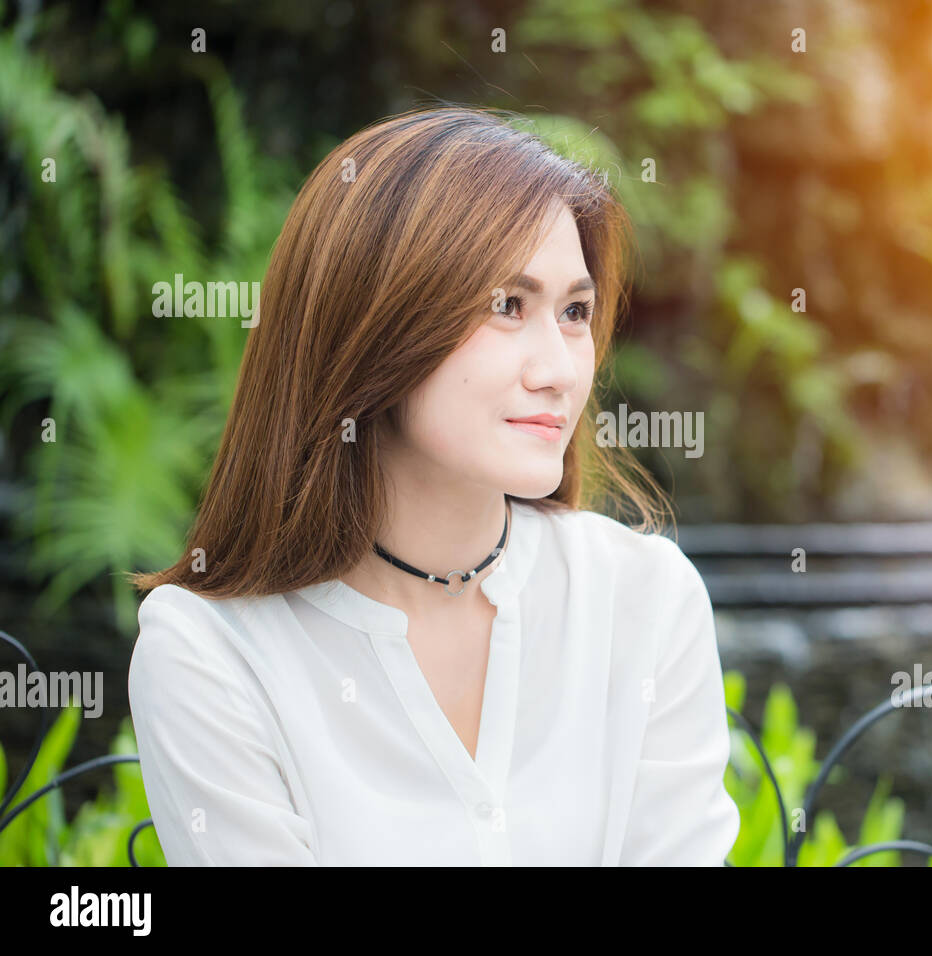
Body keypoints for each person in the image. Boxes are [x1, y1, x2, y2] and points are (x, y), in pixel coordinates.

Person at [126, 107, 740, 866]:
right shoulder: (212, 654)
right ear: (375, 324)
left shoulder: (644, 603)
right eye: (507, 306)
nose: (557, 370)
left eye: (575, 312)